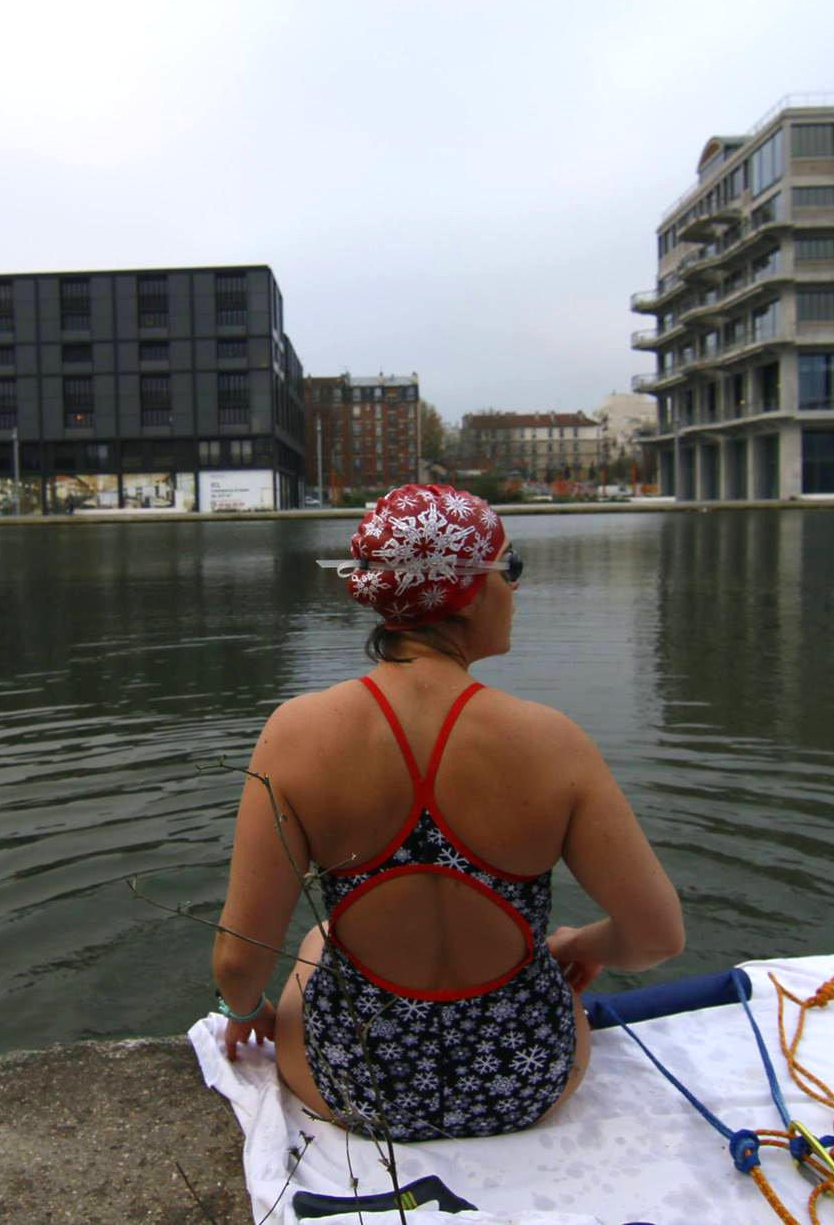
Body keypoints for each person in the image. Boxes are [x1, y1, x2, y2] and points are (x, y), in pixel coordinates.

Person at [210, 483, 683, 1141]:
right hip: (526, 1078)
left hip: (354, 1083)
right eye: (510, 569)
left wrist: (246, 1007)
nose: (516, 590)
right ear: (465, 589)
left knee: (319, 940)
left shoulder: (295, 733)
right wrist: (579, 944)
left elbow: (238, 961)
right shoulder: (552, 741)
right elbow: (657, 936)